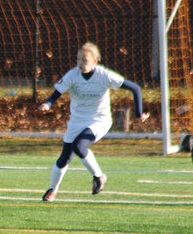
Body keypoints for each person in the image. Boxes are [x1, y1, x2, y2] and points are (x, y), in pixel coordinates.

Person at [38, 42, 149, 200]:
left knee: (79, 145)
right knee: (64, 158)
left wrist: (139, 113)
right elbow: (56, 93)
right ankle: (52, 190)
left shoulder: (104, 75)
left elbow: (135, 88)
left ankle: (99, 177)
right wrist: (48, 104)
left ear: (95, 61)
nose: (81, 63)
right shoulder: (73, 75)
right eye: (78, 59)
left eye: (85, 60)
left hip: (99, 120)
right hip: (77, 120)